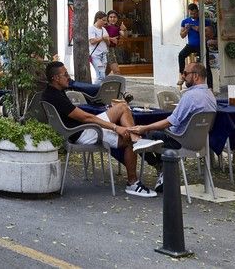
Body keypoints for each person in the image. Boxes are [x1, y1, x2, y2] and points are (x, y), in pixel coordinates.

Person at [41, 61, 156, 197]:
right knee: (127, 138)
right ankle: (133, 182)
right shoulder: (55, 96)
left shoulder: (50, 93)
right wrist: (115, 127)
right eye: (65, 74)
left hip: (76, 130)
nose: (69, 78)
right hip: (82, 132)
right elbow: (86, 118)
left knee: (123, 108)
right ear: (55, 78)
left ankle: (135, 138)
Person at [130, 62, 218, 193]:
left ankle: (160, 167)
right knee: (156, 133)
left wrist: (144, 128)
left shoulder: (190, 96)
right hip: (200, 142)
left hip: (179, 141)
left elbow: (170, 121)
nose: (182, 77)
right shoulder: (211, 96)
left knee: (140, 137)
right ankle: (163, 170)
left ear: (196, 76)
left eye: (185, 74)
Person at [178, 4, 214, 89]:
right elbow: (182, 35)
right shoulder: (185, 21)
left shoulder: (204, 21)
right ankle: (182, 75)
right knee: (181, 55)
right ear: (189, 12)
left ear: (197, 12)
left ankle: (210, 87)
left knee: (207, 66)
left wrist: (197, 28)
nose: (193, 15)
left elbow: (210, 34)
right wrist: (186, 30)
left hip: (201, 45)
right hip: (191, 45)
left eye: (194, 13)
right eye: (191, 14)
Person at [87, 11, 110, 82]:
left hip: (104, 54)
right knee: (101, 74)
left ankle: (98, 90)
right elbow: (92, 41)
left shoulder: (104, 29)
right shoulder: (92, 28)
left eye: (105, 20)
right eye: (103, 20)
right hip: (95, 55)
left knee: (101, 75)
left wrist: (106, 40)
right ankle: (96, 90)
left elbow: (108, 43)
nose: (105, 22)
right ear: (97, 19)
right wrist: (102, 38)